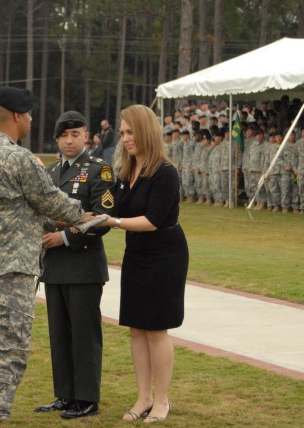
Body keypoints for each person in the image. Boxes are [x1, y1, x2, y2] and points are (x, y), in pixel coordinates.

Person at [0, 86, 93, 428]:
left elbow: (17, 209)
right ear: (17, 117)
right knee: (8, 354)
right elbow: (51, 200)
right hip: (10, 270)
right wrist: (85, 215)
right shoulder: (18, 158)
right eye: (30, 114)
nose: (33, 120)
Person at [98, 104, 188, 424]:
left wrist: (113, 221)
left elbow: (152, 220)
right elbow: (108, 203)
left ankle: (162, 400)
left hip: (165, 255)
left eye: (130, 132)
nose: (124, 138)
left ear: (145, 131)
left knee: (155, 330)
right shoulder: (125, 171)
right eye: (122, 133)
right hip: (136, 254)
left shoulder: (165, 172)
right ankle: (143, 397)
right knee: (136, 328)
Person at [35, 111, 115, 419]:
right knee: (60, 334)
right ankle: (65, 395)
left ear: (87, 137)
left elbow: (103, 219)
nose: (70, 140)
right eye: (64, 136)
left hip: (83, 264)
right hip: (54, 267)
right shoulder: (51, 172)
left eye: (76, 135)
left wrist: (65, 236)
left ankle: (87, 398)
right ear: (56, 140)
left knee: (84, 335)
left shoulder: (99, 170)